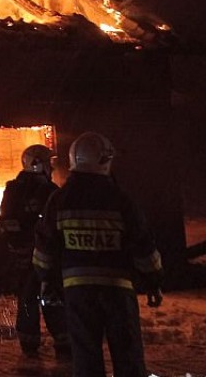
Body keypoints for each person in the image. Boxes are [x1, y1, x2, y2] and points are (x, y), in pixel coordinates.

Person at [33, 132, 163, 377]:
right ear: (104, 161)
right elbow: (143, 244)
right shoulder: (121, 200)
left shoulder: (59, 200)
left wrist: (46, 279)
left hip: (77, 293)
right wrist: (153, 280)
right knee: (128, 355)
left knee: (86, 357)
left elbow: (44, 248)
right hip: (118, 292)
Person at [0, 144, 70, 359]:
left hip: (26, 255)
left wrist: (17, 245)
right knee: (50, 296)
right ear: (37, 164)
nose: (52, 167)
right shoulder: (49, 192)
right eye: (49, 162)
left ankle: (30, 344)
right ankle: (63, 342)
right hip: (45, 256)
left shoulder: (15, 189)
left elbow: (7, 222)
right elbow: (10, 222)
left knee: (29, 297)